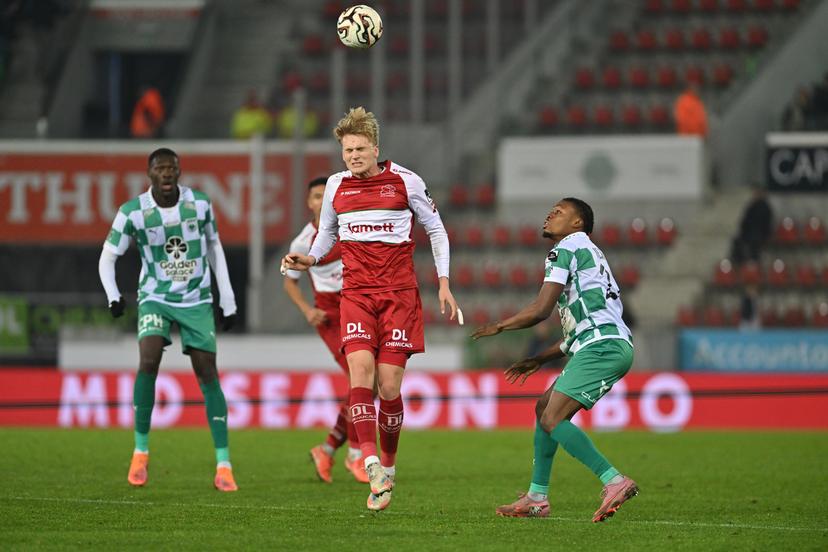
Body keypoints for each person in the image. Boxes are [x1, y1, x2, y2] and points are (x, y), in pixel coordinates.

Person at [282, 107, 458, 511]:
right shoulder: (336, 187)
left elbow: (436, 229)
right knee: (359, 374)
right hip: (356, 295)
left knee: (389, 388)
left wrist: (444, 283)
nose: (354, 156)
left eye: (360, 148)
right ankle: (370, 461)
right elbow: (326, 236)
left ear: (375, 148)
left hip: (399, 296)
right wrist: (309, 259)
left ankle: (390, 465)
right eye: (347, 150)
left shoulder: (405, 181)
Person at [471, 198, 637, 523]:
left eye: (559, 212)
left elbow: (540, 309)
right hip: (603, 342)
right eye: (551, 210)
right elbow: (580, 327)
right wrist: (539, 358)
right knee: (543, 408)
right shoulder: (588, 252)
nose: (550, 214)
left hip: (601, 346)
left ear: (578, 223)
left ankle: (613, 480)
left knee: (552, 418)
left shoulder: (566, 249)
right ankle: (537, 497)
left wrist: (502, 325)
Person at [98, 148, 239, 492]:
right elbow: (108, 257)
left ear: (179, 172)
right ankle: (140, 452)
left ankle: (223, 464)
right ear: (149, 174)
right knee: (148, 360)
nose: (165, 174)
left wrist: (228, 298)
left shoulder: (201, 204)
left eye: (171, 168)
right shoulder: (132, 212)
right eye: (159, 169)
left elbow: (214, 247)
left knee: (207, 373)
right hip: (155, 298)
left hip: (196, 300)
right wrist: (113, 296)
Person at [283, 176, 368, 485]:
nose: (322, 201)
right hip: (330, 315)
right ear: (310, 202)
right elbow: (288, 280)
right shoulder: (304, 241)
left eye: (327, 196)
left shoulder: (348, 229)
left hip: (358, 306)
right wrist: (307, 310)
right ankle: (355, 455)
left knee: (364, 383)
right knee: (362, 380)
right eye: (317, 196)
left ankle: (328, 448)